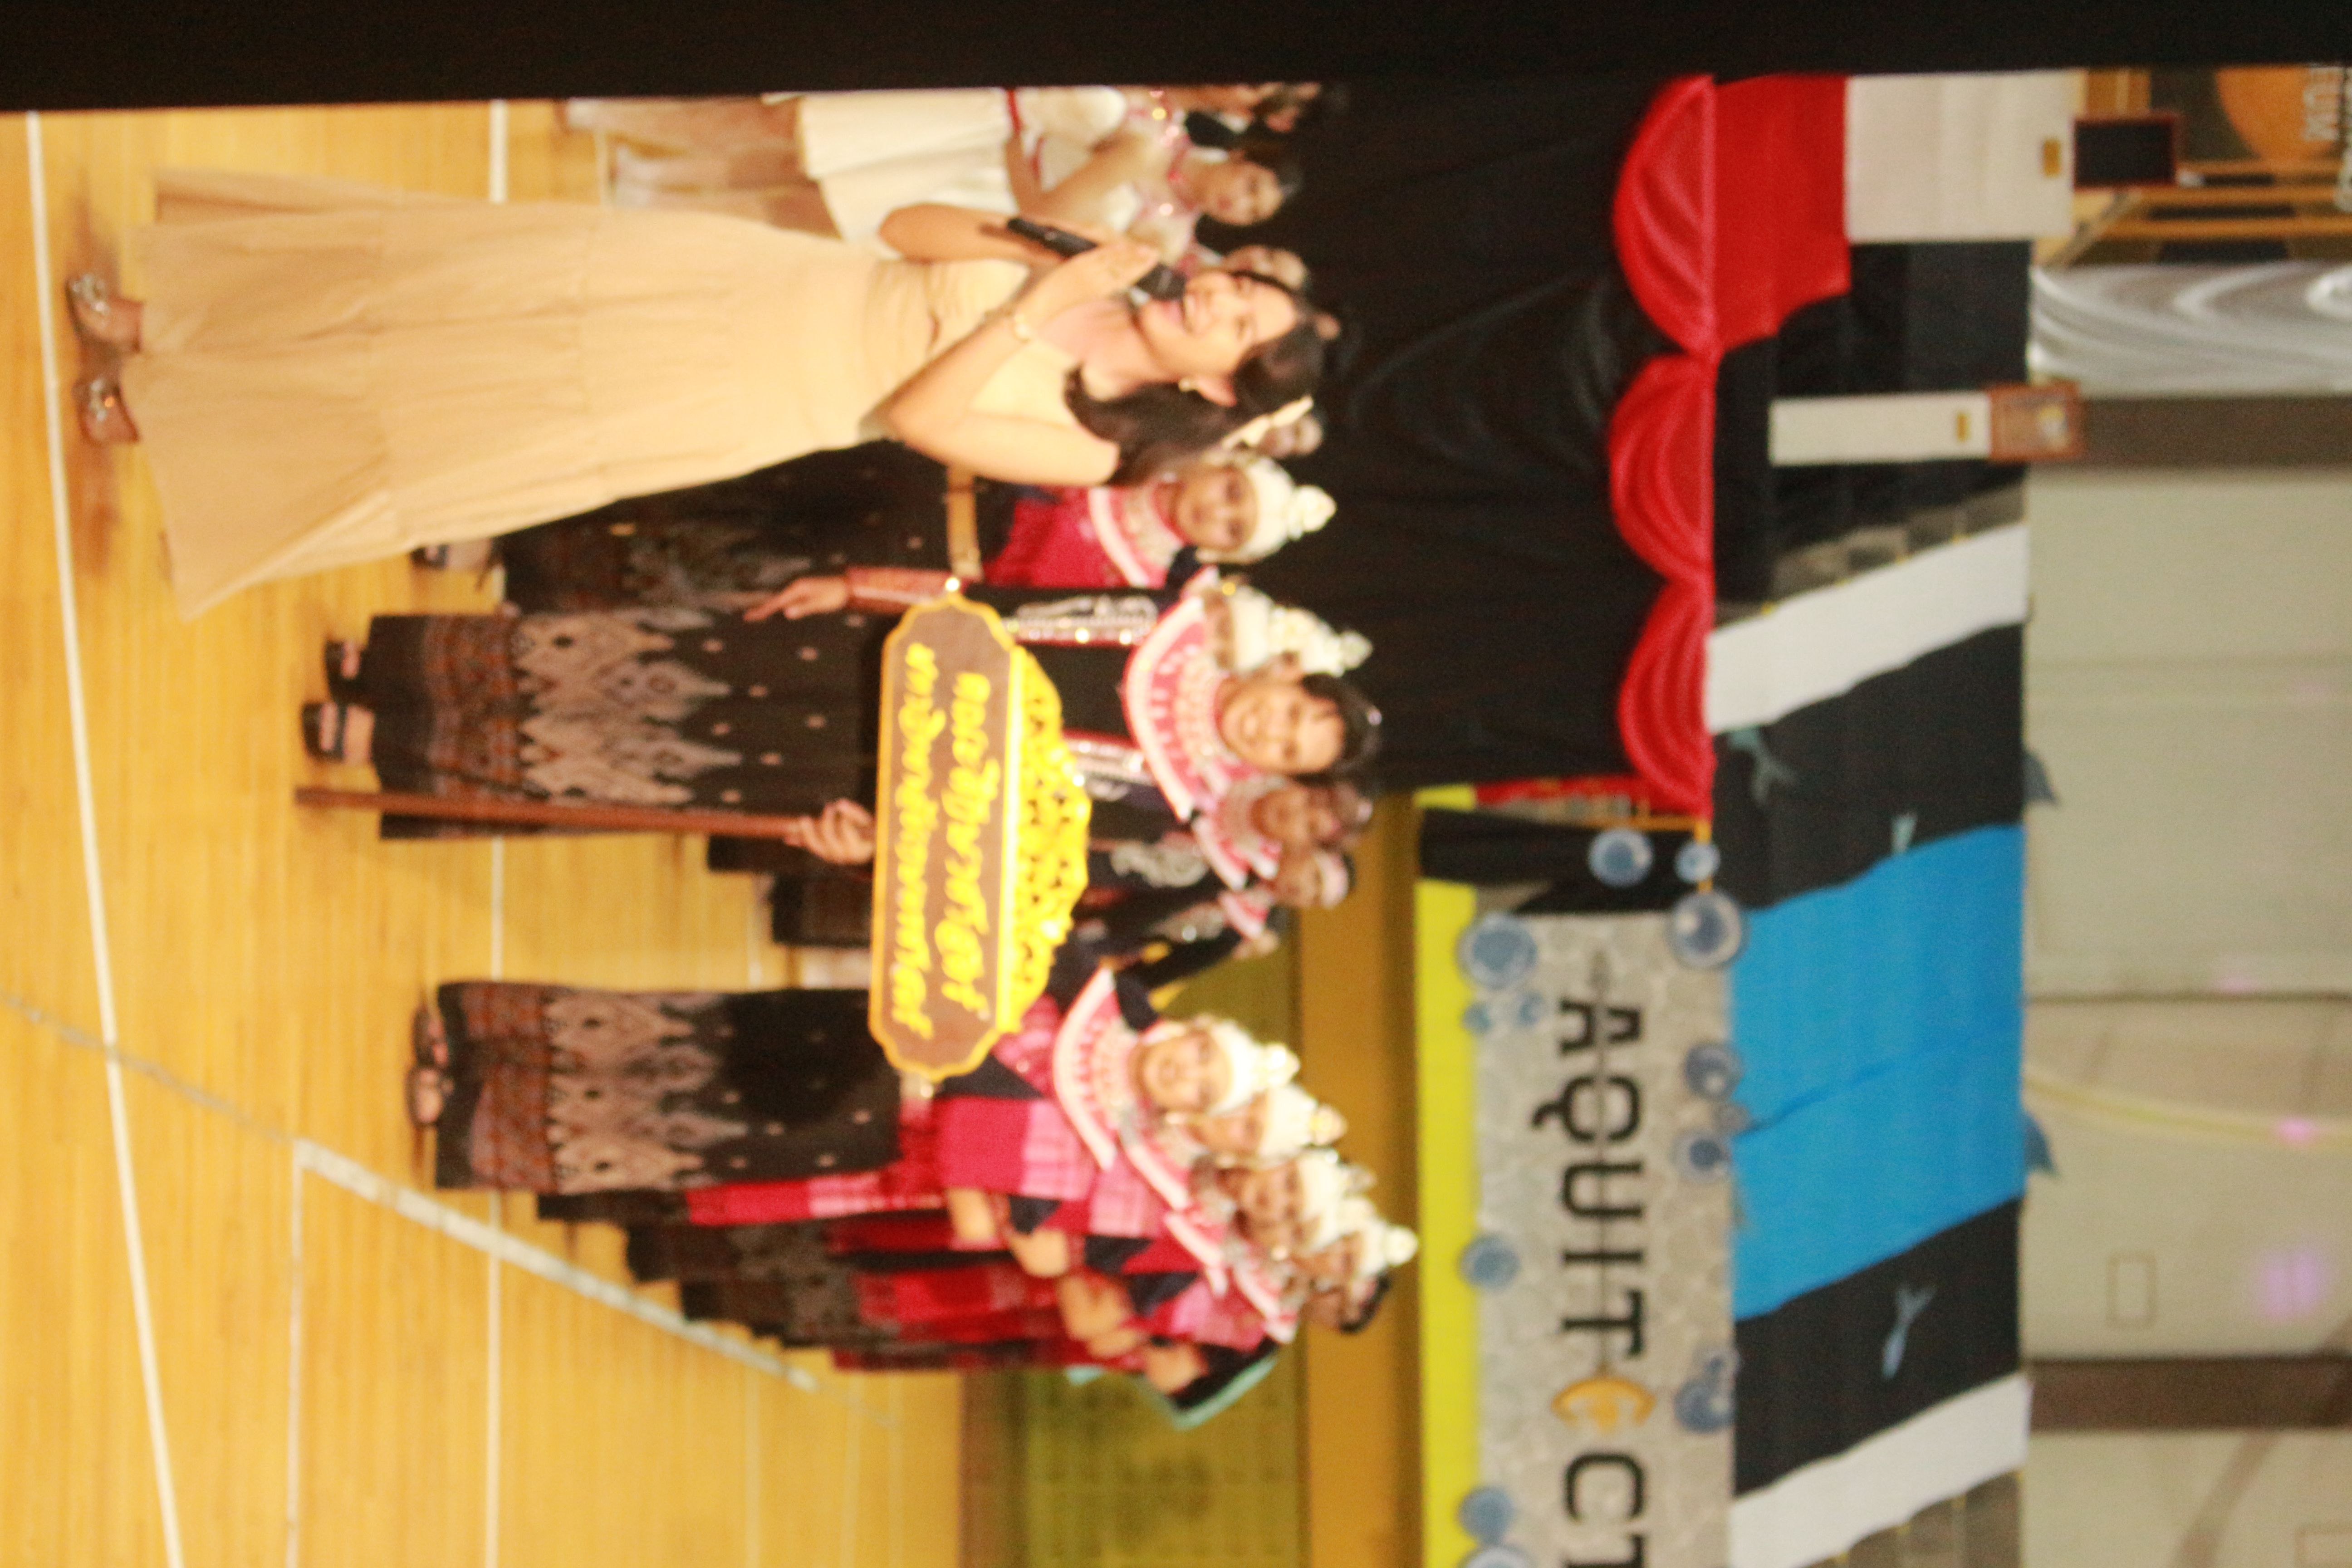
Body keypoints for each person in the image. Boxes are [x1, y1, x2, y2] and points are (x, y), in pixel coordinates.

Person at [66, 187, 1320, 615]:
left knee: (448, 393)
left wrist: (1036, 309)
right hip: (749, 278)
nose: (1217, 296)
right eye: (1236, 287)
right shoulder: (1094, 265)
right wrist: (1051, 253)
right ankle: (163, 319)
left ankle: (176, 411)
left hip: (746, 391)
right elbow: (904, 228)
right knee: (450, 281)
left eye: (1241, 325)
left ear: (1216, 389)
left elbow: (923, 421)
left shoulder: (1101, 448)